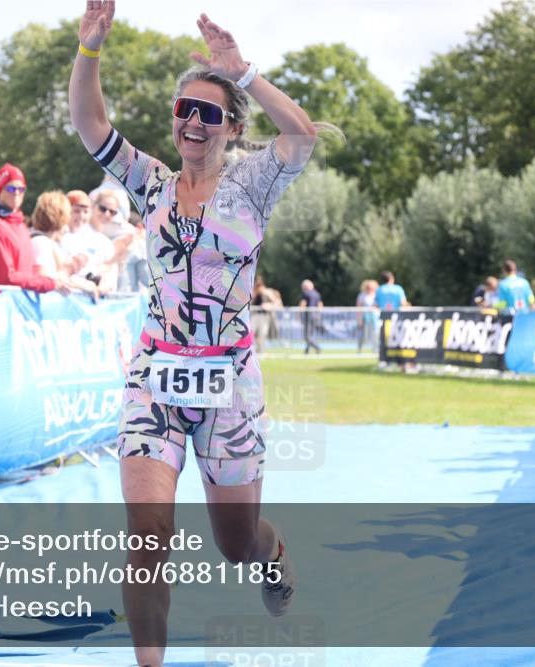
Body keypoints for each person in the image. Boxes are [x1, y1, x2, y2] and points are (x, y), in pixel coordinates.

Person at [70, 4, 325, 664]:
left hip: (229, 384)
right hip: (155, 375)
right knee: (148, 534)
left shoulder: (252, 185)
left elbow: (300, 135)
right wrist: (91, 50)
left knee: (235, 543)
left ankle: (271, 553)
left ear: (232, 126)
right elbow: (90, 123)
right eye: (186, 108)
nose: (194, 121)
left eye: (210, 112)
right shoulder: (149, 182)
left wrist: (246, 72)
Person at [0, 163, 66, 292]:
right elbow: (7, 277)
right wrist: (48, 284)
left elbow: (28, 270)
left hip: (19, 302)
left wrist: (55, 280)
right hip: (0, 303)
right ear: (0, 190)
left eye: (21, 189)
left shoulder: (20, 223)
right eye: (11, 189)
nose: (17, 193)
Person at [30, 190, 99, 297]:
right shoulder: (41, 242)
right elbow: (44, 278)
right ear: (60, 217)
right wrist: (72, 274)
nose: (67, 226)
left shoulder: (47, 242)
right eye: (70, 214)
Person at [251, 275, 279, 354]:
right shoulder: (255, 293)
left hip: (265, 316)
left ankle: (261, 351)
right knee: (252, 334)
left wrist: (268, 305)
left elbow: (276, 303)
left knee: (262, 334)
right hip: (255, 315)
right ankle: (254, 350)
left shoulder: (267, 292)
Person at [299, 279, 323, 354]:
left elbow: (302, 304)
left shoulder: (306, 294)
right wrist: (318, 315)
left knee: (307, 336)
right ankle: (307, 350)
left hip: (308, 316)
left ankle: (317, 347)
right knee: (310, 335)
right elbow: (320, 305)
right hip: (315, 316)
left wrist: (299, 314)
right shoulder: (317, 293)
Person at [356, 278, 379, 354]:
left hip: (375, 318)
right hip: (365, 318)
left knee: (375, 334)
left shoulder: (377, 295)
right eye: (368, 287)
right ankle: (359, 350)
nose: (370, 289)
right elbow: (358, 307)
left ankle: (375, 350)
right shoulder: (362, 295)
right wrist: (359, 319)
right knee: (363, 335)